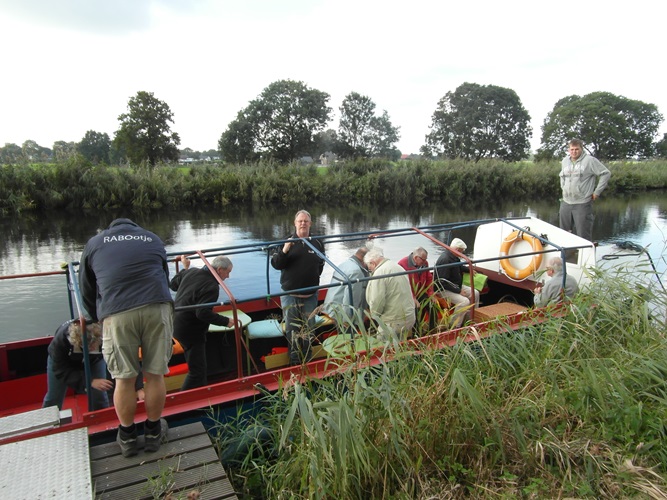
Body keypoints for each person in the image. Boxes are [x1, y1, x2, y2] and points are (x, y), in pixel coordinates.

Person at [79, 218, 174, 458]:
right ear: (134, 228)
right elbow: (163, 275)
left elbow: (87, 288)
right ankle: (153, 432)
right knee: (154, 374)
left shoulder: (94, 243)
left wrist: (97, 317)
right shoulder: (152, 237)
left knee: (123, 378)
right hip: (157, 307)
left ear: (110, 229)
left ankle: (128, 437)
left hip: (117, 311)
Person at [169, 254, 234, 390]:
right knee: (197, 372)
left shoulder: (192, 272)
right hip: (190, 330)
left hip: (175, 323)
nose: (228, 277)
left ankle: (202, 395)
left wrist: (185, 269)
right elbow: (202, 313)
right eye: (227, 272)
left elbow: (173, 285)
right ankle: (184, 404)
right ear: (219, 269)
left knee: (199, 368)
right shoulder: (212, 286)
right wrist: (226, 321)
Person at [270, 210, 325, 365]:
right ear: (295, 223)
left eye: (306, 221)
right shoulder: (286, 241)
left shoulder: (318, 243)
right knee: (292, 331)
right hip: (290, 295)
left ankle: (307, 361)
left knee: (308, 330)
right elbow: (276, 264)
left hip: (310, 295)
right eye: (300, 221)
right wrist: (285, 250)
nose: (303, 224)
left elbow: (321, 264)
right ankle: (294, 362)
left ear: (310, 224)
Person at [42, 319, 112, 411]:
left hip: (95, 361)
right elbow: (60, 369)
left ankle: (102, 419)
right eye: (88, 347)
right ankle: (49, 420)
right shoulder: (60, 342)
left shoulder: (107, 335)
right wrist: (90, 381)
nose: (91, 348)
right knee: (54, 396)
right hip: (65, 362)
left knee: (99, 394)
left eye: (94, 345)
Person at [559, 138, 611, 242]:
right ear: (568, 150)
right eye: (572, 149)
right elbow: (562, 176)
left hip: (582, 203)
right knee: (563, 233)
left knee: (583, 235)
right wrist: (563, 188)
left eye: (576, 149)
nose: (574, 152)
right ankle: (567, 256)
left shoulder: (589, 161)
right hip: (566, 202)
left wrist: (597, 192)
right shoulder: (565, 161)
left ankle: (585, 257)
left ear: (581, 149)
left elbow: (606, 173)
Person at [364, 248, 416, 341]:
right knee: (400, 343)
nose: (370, 271)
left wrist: (374, 316)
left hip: (394, 321)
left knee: (382, 346)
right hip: (409, 317)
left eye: (369, 268)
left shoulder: (379, 273)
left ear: (373, 263)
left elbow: (377, 300)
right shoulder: (397, 266)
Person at [433, 238, 480, 329]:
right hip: (443, 289)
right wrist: (458, 291)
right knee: (464, 302)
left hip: (455, 285)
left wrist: (469, 270)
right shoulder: (445, 260)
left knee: (475, 293)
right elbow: (442, 282)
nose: (462, 254)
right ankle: (454, 326)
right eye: (462, 251)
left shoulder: (454, 257)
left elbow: (458, 267)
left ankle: (470, 319)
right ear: (457, 250)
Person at [322, 247, 369, 328]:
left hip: (330, 308)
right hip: (340, 314)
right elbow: (351, 301)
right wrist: (348, 322)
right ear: (365, 259)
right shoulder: (357, 272)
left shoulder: (345, 264)